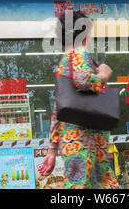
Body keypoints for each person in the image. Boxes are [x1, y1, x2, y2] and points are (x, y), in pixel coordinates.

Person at [37, 10, 119, 189]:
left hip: (73, 141)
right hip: (87, 141)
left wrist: (52, 149)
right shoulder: (80, 54)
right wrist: (103, 75)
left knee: (81, 185)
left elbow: (58, 110)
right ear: (84, 33)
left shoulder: (64, 63)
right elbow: (84, 81)